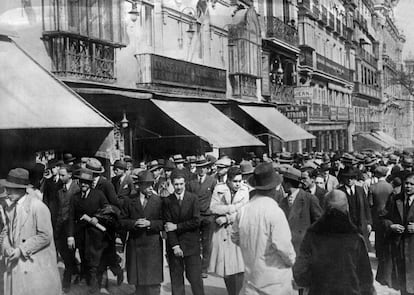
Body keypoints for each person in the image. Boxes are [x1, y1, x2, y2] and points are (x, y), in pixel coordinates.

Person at [293, 190, 375, 295]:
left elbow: (300, 273)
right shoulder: (356, 238)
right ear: (347, 208)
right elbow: (366, 279)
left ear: (324, 208)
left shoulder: (312, 235)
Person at [232, 163, 296, 295]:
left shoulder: (243, 210)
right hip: (276, 282)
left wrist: (251, 246)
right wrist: (293, 261)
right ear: (273, 188)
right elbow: (284, 247)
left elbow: (235, 237)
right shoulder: (275, 212)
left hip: (252, 279)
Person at [1, 168, 61, 295]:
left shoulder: (38, 207)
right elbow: (6, 232)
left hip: (35, 265)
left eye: (11, 188)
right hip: (16, 265)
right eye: (7, 188)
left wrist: (21, 250)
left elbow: (45, 236)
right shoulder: (10, 208)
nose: (7, 192)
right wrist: (6, 247)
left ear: (21, 189)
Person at [120, 170, 164, 295]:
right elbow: (121, 222)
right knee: (139, 282)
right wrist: (134, 223)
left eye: (152, 184)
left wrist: (150, 223)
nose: (150, 188)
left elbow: (165, 222)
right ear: (139, 186)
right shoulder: (129, 200)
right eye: (147, 185)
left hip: (153, 245)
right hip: (135, 244)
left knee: (153, 283)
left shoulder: (159, 201)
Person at [67, 168, 109, 294]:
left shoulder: (99, 195)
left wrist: (97, 218)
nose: (84, 184)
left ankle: (96, 288)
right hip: (81, 236)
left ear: (91, 183)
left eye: (86, 182)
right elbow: (70, 217)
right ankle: (90, 285)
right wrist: (70, 236)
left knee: (95, 264)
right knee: (85, 261)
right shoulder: (75, 198)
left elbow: (108, 210)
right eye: (82, 182)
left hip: (96, 236)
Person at [163, 169, 204, 295]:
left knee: (195, 279)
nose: (179, 187)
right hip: (174, 246)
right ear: (171, 184)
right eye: (176, 184)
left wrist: (177, 226)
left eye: (181, 184)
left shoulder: (193, 199)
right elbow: (168, 226)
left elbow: (196, 221)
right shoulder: (167, 201)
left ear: (185, 183)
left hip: (191, 245)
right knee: (176, 280)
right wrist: (175, 246)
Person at [209, 166, 248, 295]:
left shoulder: (244, 191)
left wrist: (227, 218)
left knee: (239, 268)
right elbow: (214, 208)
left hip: (238, 232)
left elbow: (244, 211)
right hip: (222, 233)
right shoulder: (219, 189)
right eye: (235, 181)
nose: (238, 184)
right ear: (228, 181)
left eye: (240, 181)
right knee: (226, 268)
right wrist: (233, 208)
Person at [278, 165, 322, 256]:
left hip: (304, 250)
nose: (282, 185)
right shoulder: (282, 202)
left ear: (288, 184)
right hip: (287, 250)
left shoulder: (309, 199)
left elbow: (319, 224)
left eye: (283, 182)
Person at [382, 172, 414, 294]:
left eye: (412, 184)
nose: (408, 186)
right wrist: (391, 226)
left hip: (413, 249)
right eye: (406, 183)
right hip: (399, 248)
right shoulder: (395, 199)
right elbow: (383, 218)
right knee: (403, 284)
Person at [187, 156, 217, 278]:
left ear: (207, 169)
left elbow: (216, 198)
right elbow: (188, 199)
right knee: (194, 242)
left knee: (206, 242)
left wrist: (212, 210)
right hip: (195, 216)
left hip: (208, 216)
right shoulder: (191, 181)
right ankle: (195, 266)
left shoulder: (212, 181)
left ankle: (204, 268)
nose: (201, 170)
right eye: (199, 167)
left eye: (204, 167)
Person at [56, 164, 81, 293]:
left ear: (70, 175)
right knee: (64, 253)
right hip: (60, 227)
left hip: (73, 228)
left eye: (62, 175)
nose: (60, 177)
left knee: (69, 254)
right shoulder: (59, 190)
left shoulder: (77, 190)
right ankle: (76, 270)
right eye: (59, 175)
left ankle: (67, 281)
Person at [338, 166, 373, 249]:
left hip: (360, 223)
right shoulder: (339, 191)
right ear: (344, 179)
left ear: (355, 179)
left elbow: (366, 206)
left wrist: (369, 222)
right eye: (347, 178)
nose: (350, 180)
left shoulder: (360, 190)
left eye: (352, 178)